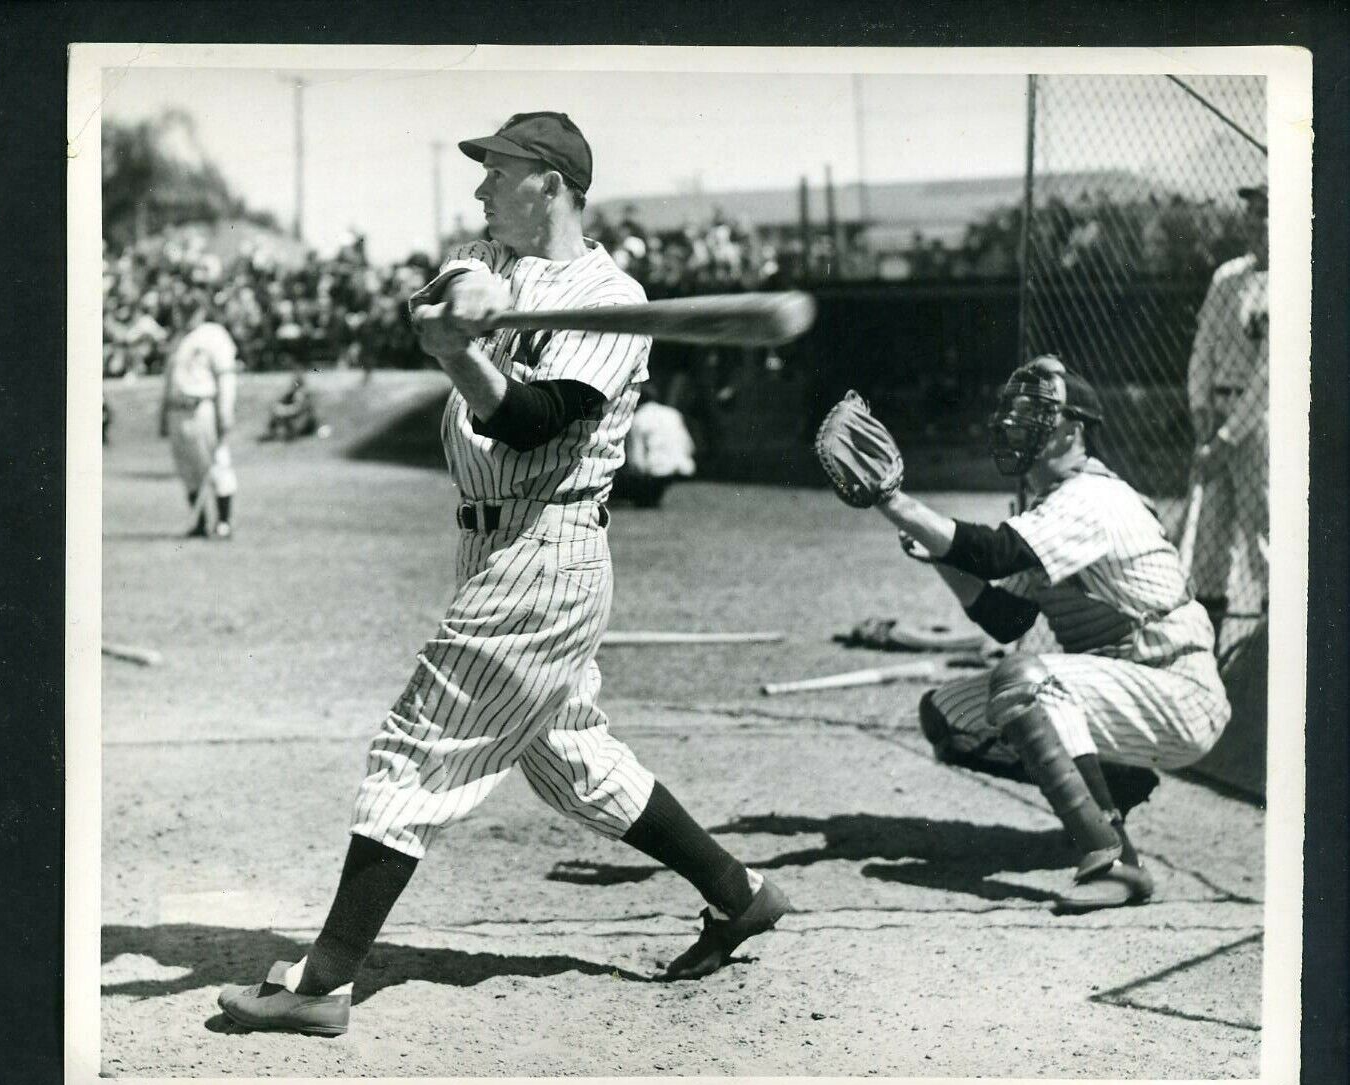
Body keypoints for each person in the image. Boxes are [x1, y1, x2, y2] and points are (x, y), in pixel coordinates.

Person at [218, 112, 789, 1037]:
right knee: (573, 761)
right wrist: (460, 299)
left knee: (417, 748)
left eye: (501, 171)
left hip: (548, 546)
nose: (483, 187)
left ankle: (320, 984)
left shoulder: (612, 297)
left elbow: (529, 420)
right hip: (490, 542)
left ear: (551, 184)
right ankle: (740, 893)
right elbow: (435, 300)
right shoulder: (496, 257)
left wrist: (465, 357)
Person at [820, 356, 1231, 912]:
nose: (1015, 422)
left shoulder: (1093, 498)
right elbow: (1006, 617)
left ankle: (1114, 857)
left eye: (1035, 412)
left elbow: (992, 552)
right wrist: (938, 556)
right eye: (1013, 411)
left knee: (1024, 682)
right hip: (1124, 690)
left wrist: (896, 502)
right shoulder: (1049, 506)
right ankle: (1115, 783)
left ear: (1075, 430)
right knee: (949, 717)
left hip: (1176, 688)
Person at [1185, 183, 1270, 648]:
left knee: (1264, 538)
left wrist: (1225, 439)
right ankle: (1206, 658)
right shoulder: (1228, 277)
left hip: (1259, 424)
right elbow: (1202, 349)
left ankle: (1271, 660)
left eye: (1266, 213)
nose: (1255, 222)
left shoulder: (1300, 277)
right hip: (1216, 412)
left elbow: (1271, 376)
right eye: (1251, 212)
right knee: (1209, 545)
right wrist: (1201, 414)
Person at [158, 295, 239, 539]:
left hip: (201, 407)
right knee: (188, 470)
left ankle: (223, 522)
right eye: (181, 308)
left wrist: (225, 410)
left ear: (202, 310)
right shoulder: (178, 339)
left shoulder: (214, 334)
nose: (184, 313)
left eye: (190, 308)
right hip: (176, 409)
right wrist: (162, 416)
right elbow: (168, 381)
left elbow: (226, 375)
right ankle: (200, 523)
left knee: (215, 463)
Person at [614, 384, 696, 507]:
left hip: (656, 473)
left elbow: (636, 458)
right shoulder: (673, 413)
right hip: (684, 468)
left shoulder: (638, 418)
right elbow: (690, 446)